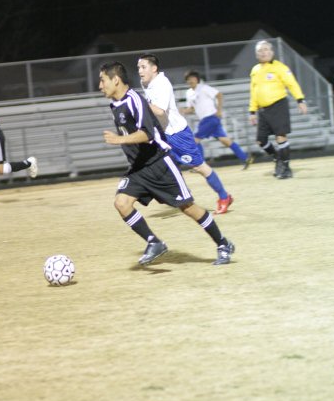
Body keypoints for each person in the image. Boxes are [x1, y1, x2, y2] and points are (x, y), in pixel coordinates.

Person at [99, 61, 235, 266]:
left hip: (159, 164)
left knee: (188, 207)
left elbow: (146, 134)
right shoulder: (115, 104)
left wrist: (119, 139)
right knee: (121, 203)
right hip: (139, 168)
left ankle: (223, 243)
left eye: (102, 80)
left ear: (115, 80)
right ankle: (154, 242)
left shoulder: (135, 100)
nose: (100, 86)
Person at [137, 53, 234, 214]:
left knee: (200, 167)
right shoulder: (145, 82)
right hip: (163, 134)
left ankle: (224, 197)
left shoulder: (162, 84)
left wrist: (140, 103)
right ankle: (173, 195)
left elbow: (160, 111)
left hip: (177, 134)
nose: (140, 70)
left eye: (143, 67)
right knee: (156, 165)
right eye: (138, 67)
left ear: (154, 68)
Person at [249, 40, 307, 179]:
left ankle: (286, 168)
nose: (263, 52)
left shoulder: (280, 67)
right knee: (261, 140)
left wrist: (300, 100)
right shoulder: (255, 70)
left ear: (272, 52)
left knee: (280, 137)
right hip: (262, 110)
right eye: (260, 50)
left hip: (278, 105)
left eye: (266, 49)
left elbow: (292, 84)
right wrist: (252, 111)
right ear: (257, 54)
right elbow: (253, 91)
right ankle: (277, 159)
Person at [182, 70, 253, 169]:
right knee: (225, 141)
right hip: (206, 119)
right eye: (188, 79)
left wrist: (219, 110)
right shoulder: (189, 93)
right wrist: (183, 111)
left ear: (197, 79)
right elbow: (192, 108)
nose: (191, 80)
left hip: (210, 118)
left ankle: (201, 166)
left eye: (193, 78)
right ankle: (245, 158)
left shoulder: (203, 88)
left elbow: (219, 95)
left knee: (194, 140)